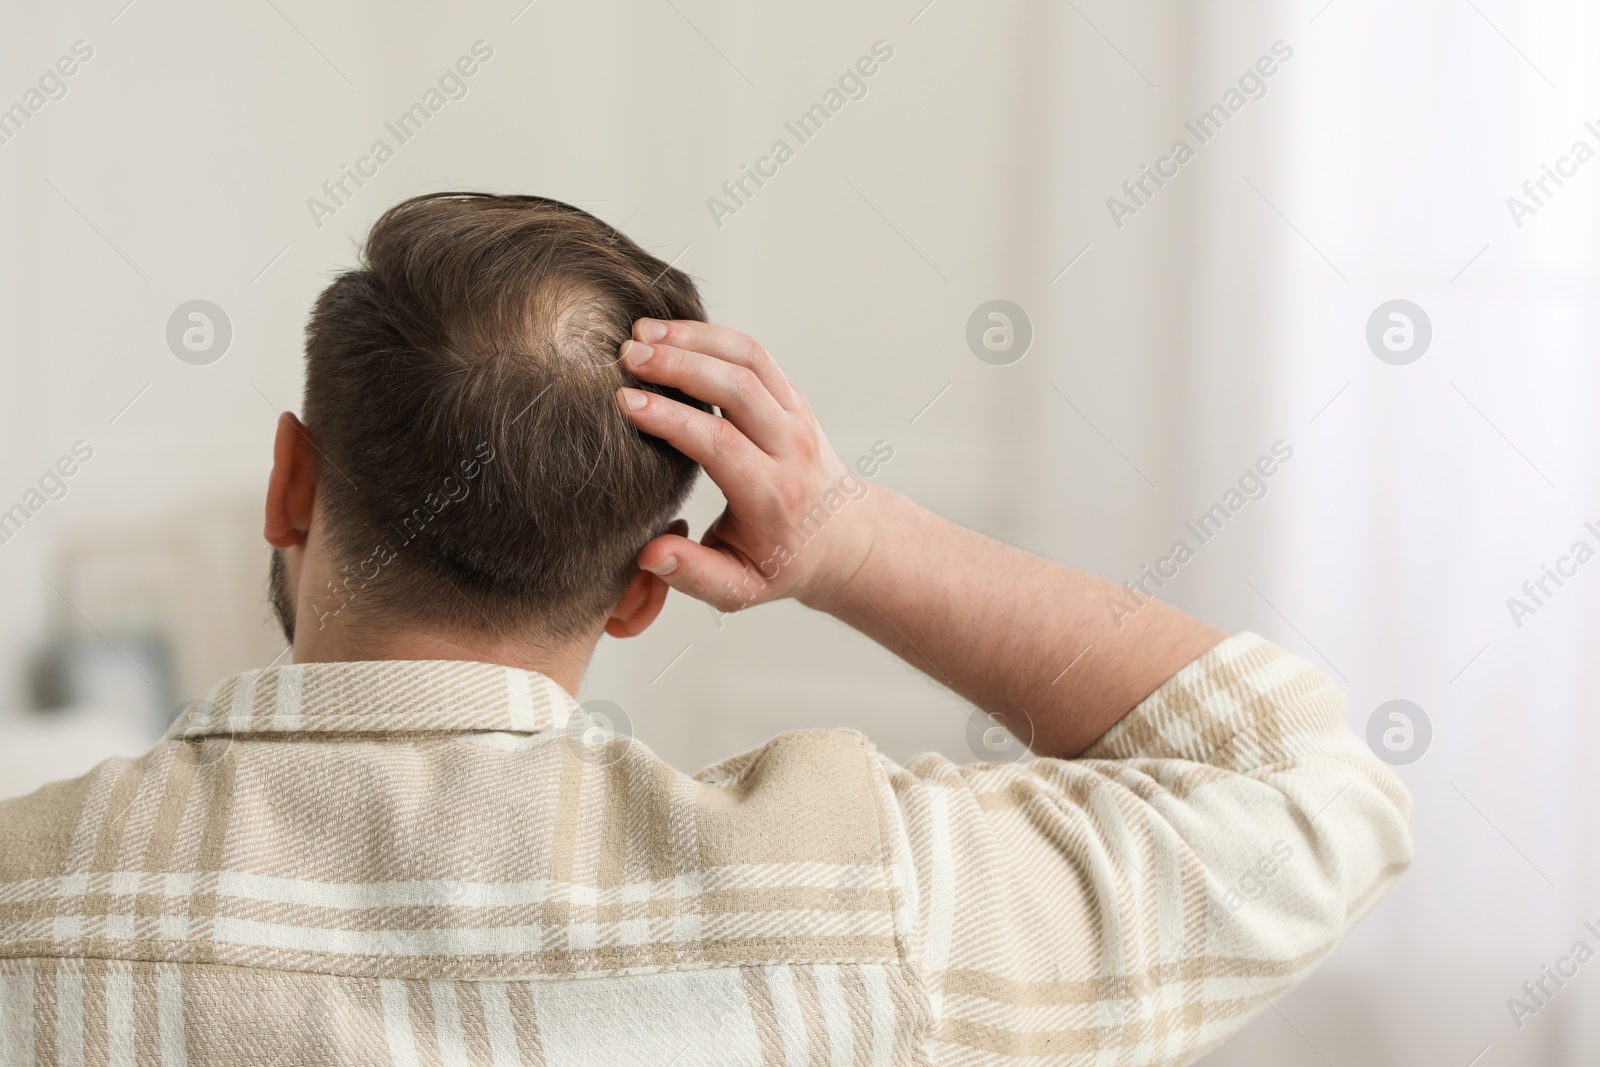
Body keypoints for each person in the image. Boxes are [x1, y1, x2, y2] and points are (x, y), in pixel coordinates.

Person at [0, 193, 1412, 1065]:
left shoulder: (27, 903)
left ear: (289, 484)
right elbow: (1296, 787)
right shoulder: (862, 903)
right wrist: (849, 535)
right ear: (641, 583)